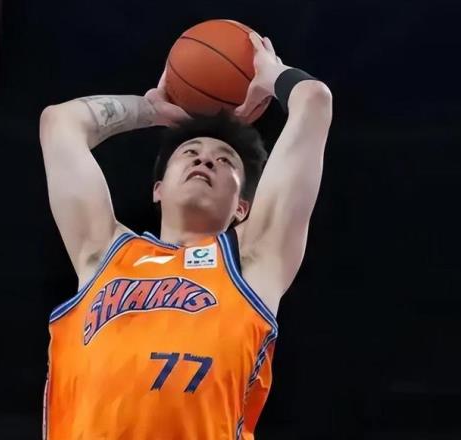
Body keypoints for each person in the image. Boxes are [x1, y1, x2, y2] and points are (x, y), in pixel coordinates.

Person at [39, 32, 332, 440]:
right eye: (190, 152)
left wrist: (272, 74)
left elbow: (314, 100)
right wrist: (152, 109)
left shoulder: (254, 261)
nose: (205, 159)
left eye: (225, 161)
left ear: (242, 207)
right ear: (158, 189)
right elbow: (60, 122)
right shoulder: (103, 252)